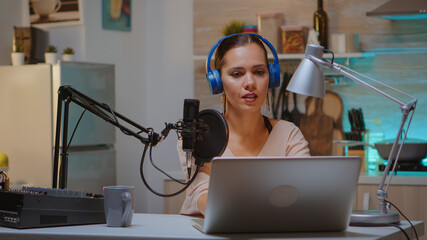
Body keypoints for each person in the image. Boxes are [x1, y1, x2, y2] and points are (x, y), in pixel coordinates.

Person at [178, 33, 310, 217]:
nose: (250, 83)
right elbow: (202, 195)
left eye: (259, 72)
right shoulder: (199, 135)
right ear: (217, 81)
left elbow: (305, 196)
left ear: (271, 77)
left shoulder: (289, 135)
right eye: (237, 74)